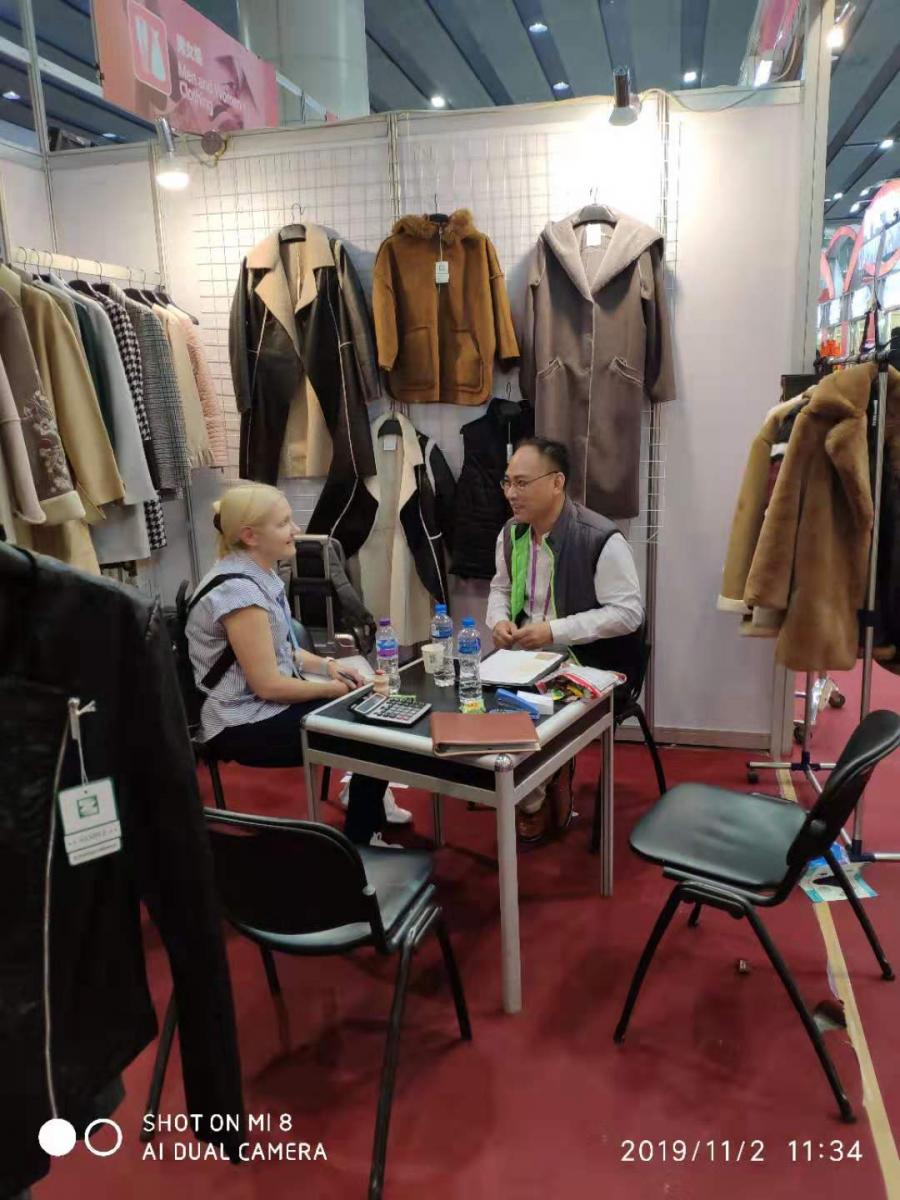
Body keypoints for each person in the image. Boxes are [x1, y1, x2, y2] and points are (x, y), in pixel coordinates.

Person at [186, 482, 400, 848]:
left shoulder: (259, 572)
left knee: (372, 722)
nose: (296, 530)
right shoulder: (240, 593)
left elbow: (284, 649)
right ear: (250, 535)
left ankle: (367, 803)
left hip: (261, 706)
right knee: (374, 738)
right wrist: (333, 690)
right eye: (284, 523)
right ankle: (359, 845)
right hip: (241, 722)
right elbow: (268, 685)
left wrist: (329, 666)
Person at [486, 438, 644, 843]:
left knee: (532, 704)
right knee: (475, 689)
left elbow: (629, 613)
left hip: (590, 657)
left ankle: (533, 796)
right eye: (507, 482)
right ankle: (517, 781)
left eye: (522, 483)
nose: (511, 493)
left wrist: (554, 631)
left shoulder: (600, 538)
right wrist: (499, 620)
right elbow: (500, 588)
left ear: (557, 483)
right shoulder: (511, 533)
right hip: (527, 651)